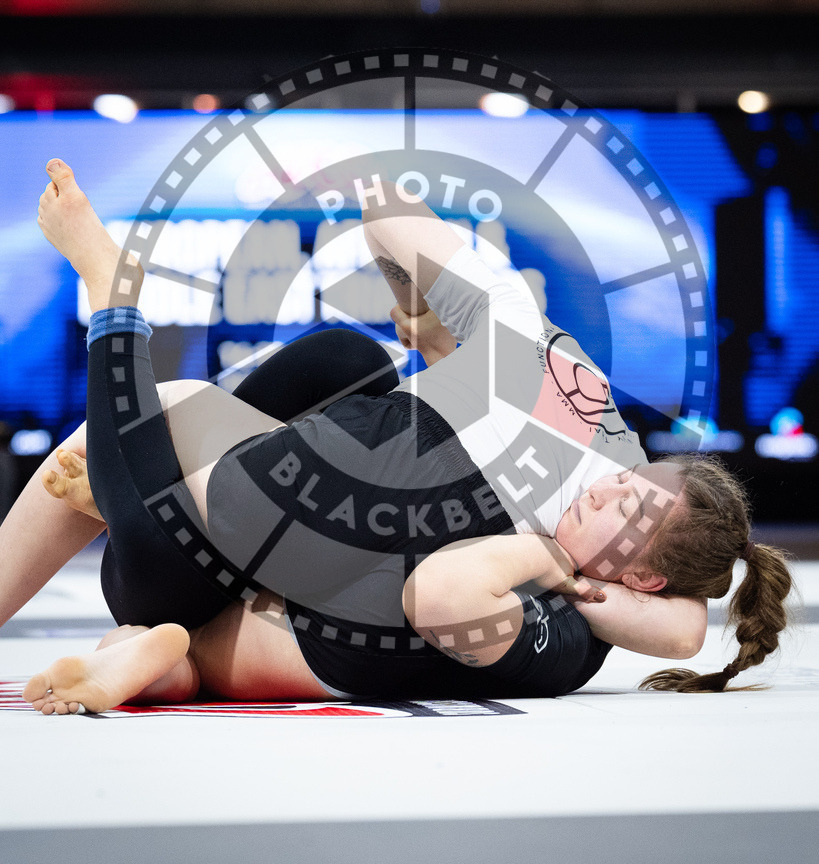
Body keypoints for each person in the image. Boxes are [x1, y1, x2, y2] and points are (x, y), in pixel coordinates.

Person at [1, 158, 792, 713]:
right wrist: (565, 569)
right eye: (625, 484)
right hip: (334, 532)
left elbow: (384, 206)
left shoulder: (541, 345)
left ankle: (115, 316)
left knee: (289, 387)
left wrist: (415, 295)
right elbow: (677, 624)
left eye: (624, 507)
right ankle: (116, 327)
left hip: (330, 509)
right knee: (176, 495)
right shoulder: (584, 580)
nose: (606, 490)